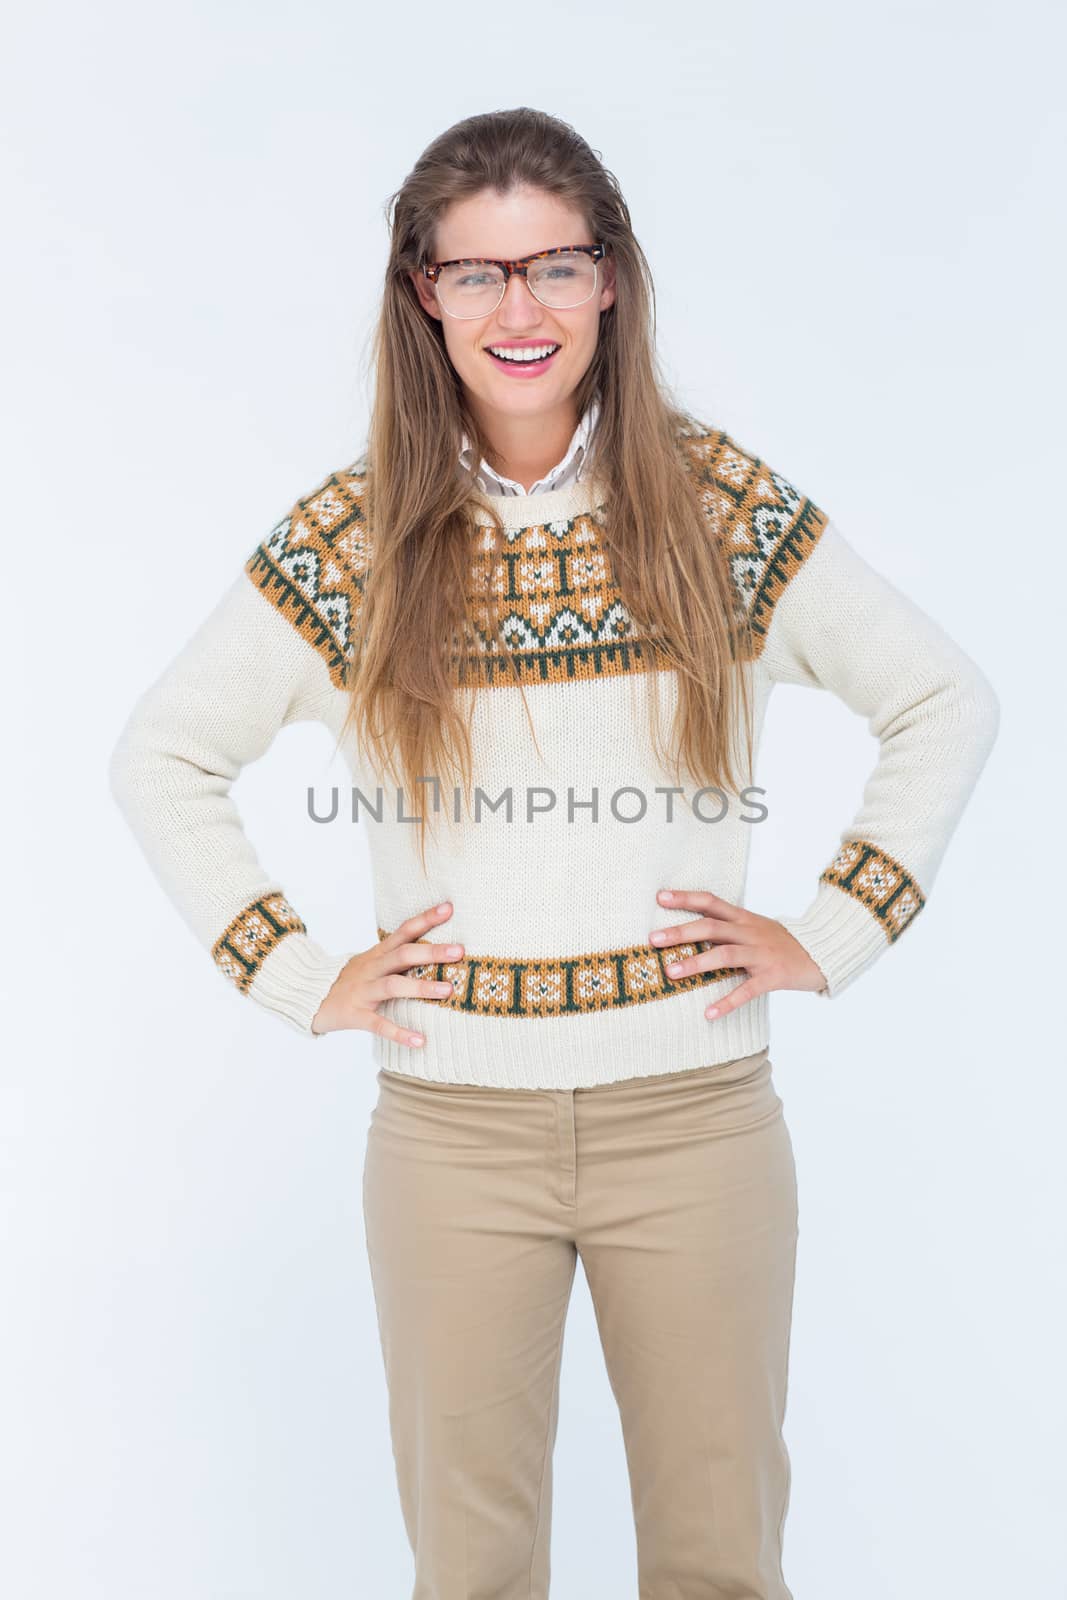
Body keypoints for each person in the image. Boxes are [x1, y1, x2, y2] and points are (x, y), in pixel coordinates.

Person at [109, 107, 1000, 1599]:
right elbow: (162, 754)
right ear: (422, 296)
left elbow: (943, 699)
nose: (518, 309)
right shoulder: (358, 537)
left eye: (554, 266)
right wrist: (303, 974)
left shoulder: (717, 510)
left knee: (722, 1561)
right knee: (472, 1569)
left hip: (698, 1121)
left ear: (611, 283)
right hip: (453, 1141)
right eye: (476, 275)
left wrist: (831, 932)